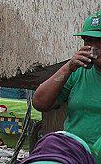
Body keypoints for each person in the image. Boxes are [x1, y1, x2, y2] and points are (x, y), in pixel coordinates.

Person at [33, 11, 101, 157]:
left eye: (99, 41)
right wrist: (68, 67)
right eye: (88, 41)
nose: (94, 48)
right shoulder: (78, 71)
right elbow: (40, 103)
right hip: (75, 154)